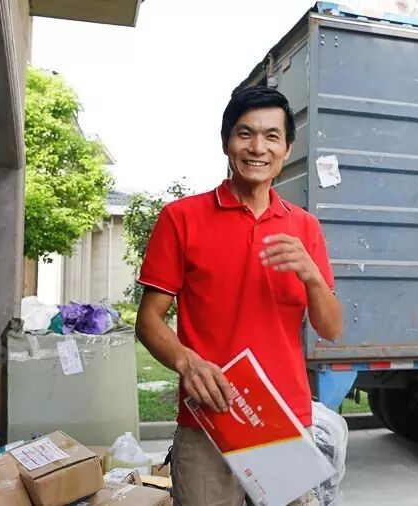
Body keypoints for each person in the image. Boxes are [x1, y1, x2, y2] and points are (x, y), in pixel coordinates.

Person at [135, 85, 343, 506]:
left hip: (284, 422)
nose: (258, 148)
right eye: (245, 133)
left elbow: (331, 328)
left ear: (286, 149)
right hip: (208, 417)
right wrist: (187, 362)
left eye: (271, 136)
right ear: (225, 142)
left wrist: (312, 277)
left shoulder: (304, 227)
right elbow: (148, 320)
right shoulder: (182, 218)